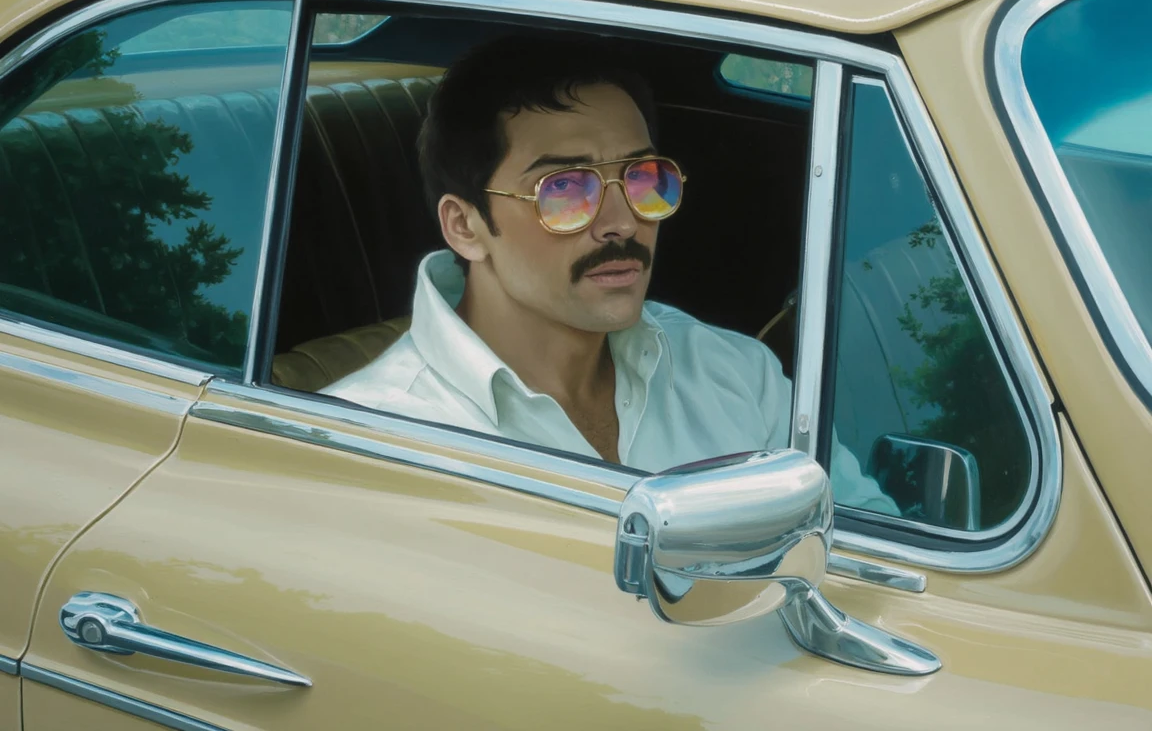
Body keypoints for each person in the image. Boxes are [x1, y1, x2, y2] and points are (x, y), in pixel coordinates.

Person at [323, 35, 893, 511]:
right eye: (566, 188)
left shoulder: (737, 376)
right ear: (465, 226)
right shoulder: (367, 446)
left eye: (643, 177)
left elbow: (872, 558)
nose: (621, 223)